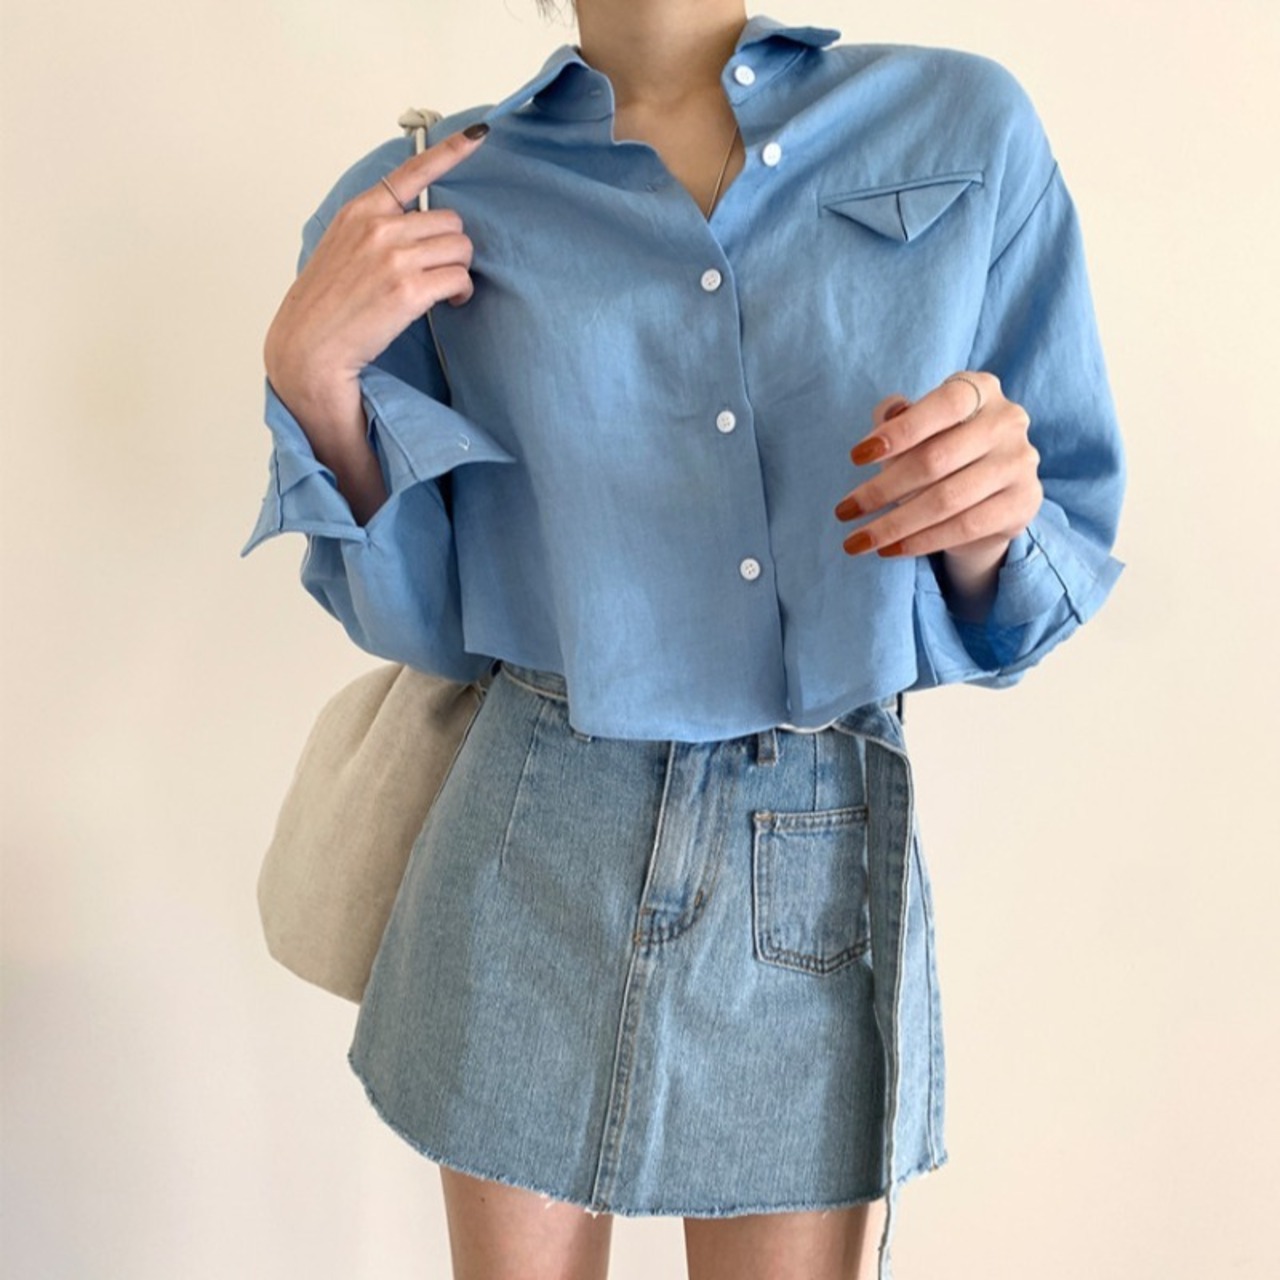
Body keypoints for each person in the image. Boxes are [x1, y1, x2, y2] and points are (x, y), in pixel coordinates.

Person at [243, 1, 1126, 1277]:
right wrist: (314, 387)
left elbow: (1051, 561)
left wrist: (989, 523)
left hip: (814, 837)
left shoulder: (957, 124)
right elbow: (419, 622)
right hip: (529, 824)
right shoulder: (420, 196)